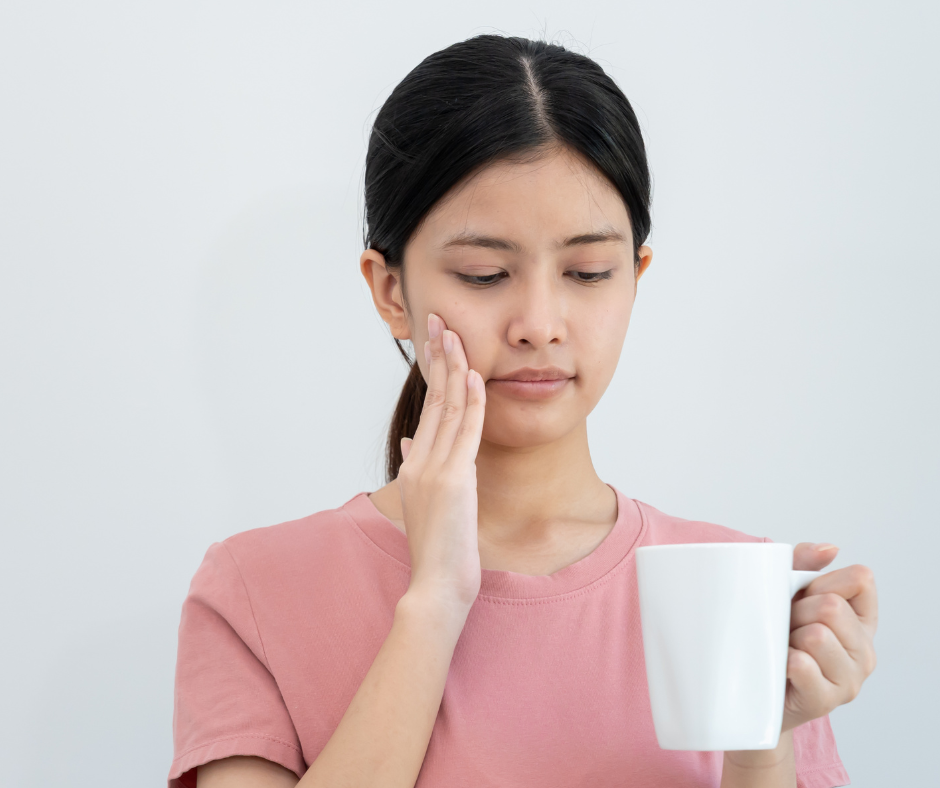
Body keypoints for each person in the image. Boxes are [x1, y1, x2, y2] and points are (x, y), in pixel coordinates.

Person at [168, 34, 877, 788]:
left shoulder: (738, 590)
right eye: (485, 274)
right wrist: (434, 600)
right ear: (390, 291)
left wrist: (759, 743)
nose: (540, 321)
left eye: (587, 271)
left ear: (635, 276)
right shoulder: (255, 591)